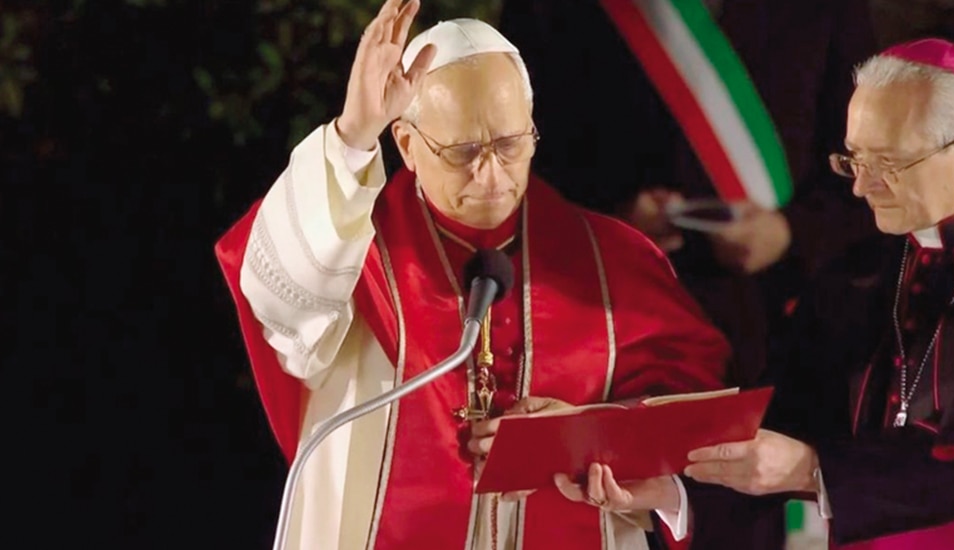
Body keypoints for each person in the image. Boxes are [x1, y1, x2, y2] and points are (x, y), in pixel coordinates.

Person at [213, 3, 733, 549]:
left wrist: (589, 432)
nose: (491, 174)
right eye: (463, 152)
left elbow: (692, 423)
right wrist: (350, 136)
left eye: (510, 145)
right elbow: (284, 299)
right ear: (408, 147)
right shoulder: (352, 252)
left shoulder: (614, 263)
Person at [673, 38, 954, 548]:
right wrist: (669, 485)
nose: (860, 187)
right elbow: (782, 423)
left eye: (889, 164)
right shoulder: (860, 273)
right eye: (854, 159)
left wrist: (813, 468)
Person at [496, 0, 880, 389]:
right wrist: (609, 223)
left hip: (781, 329)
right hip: (608, 327)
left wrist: (789, 234)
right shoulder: (551, 10)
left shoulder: (826, 9)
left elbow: (868, 173)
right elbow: (517, 156)